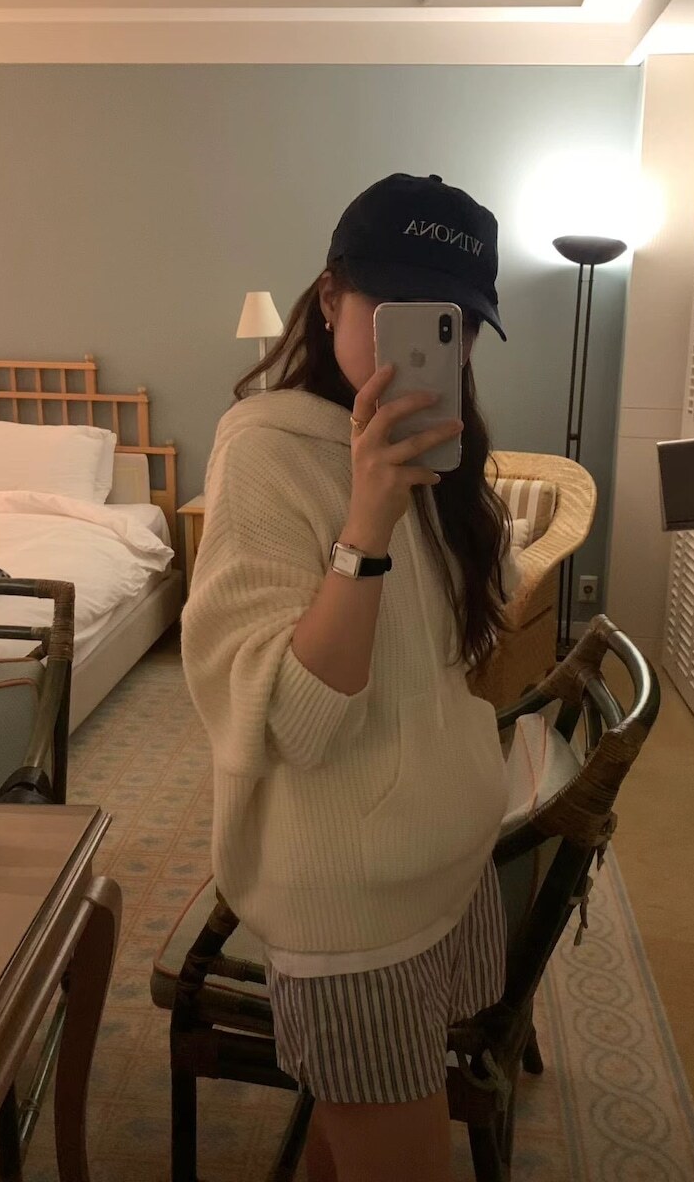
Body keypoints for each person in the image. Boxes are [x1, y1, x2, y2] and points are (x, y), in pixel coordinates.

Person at [182, 172, 514, 1182]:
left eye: (452, 322)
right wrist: (365, 523)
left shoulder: (441, 453)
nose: (426, 343)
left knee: (352, 1136)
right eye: (396, 307)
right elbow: (297, 720)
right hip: (352, 901)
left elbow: (453, 657)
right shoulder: (265, 454)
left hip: (443, 860)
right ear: (329, 296)